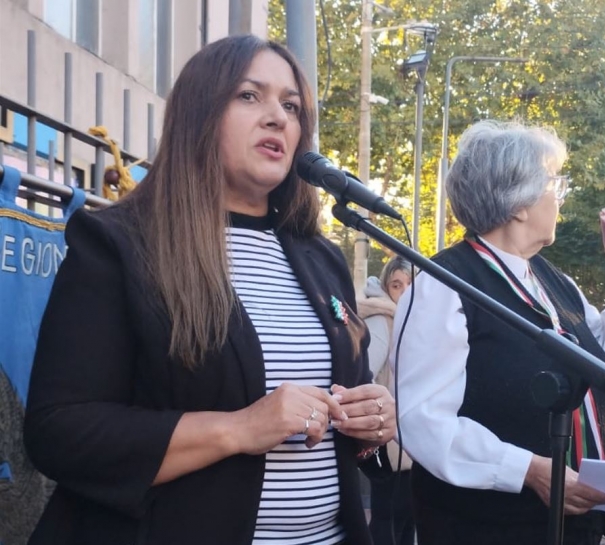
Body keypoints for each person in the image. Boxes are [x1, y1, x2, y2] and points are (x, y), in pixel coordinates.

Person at [23, 35, 395, 545]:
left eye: (291, 106)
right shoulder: (119, 245)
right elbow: (59, 432)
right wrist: (238, 428)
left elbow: (347, 427)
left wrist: (371, 425)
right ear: (199, 114)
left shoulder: (322, 258)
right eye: (249, 96)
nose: (277, 118)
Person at [391, 120, 605, 545]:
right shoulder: (444, 286)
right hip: (487, 531)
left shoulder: (556, 283)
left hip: (575, 529)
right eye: (555, 184)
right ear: (519, 203)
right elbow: (423, 422)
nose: (561, 198)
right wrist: (530, 471)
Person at [357, 257, 415, 545]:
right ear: (385, 288)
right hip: (389, 440)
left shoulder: (412, 322)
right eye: (396, 285)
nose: (404, 292)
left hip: (409, 439)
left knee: (406, 518)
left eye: (410, 284)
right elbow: (362, 373)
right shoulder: (383, 320)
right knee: (387, 519)